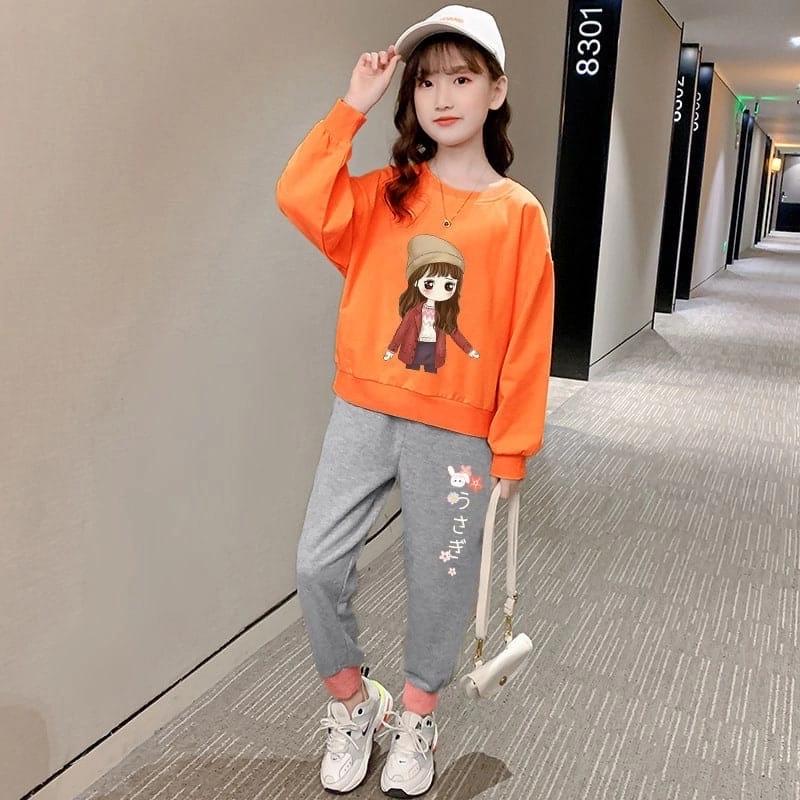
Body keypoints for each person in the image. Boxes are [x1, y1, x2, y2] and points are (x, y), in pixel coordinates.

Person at [274, 5, 554, 796]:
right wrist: (352, 106)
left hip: (458, 433)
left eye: (462, 78)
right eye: (427, 82)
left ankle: (419, 718)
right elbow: (300, 195)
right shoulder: (386, 197)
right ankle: (352, 703)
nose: (443, 97)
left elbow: (528, 337)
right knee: (317, 563)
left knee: (441, 581)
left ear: (496, 90)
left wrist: (512, 449)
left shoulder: (518, 214)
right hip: (364, 412)